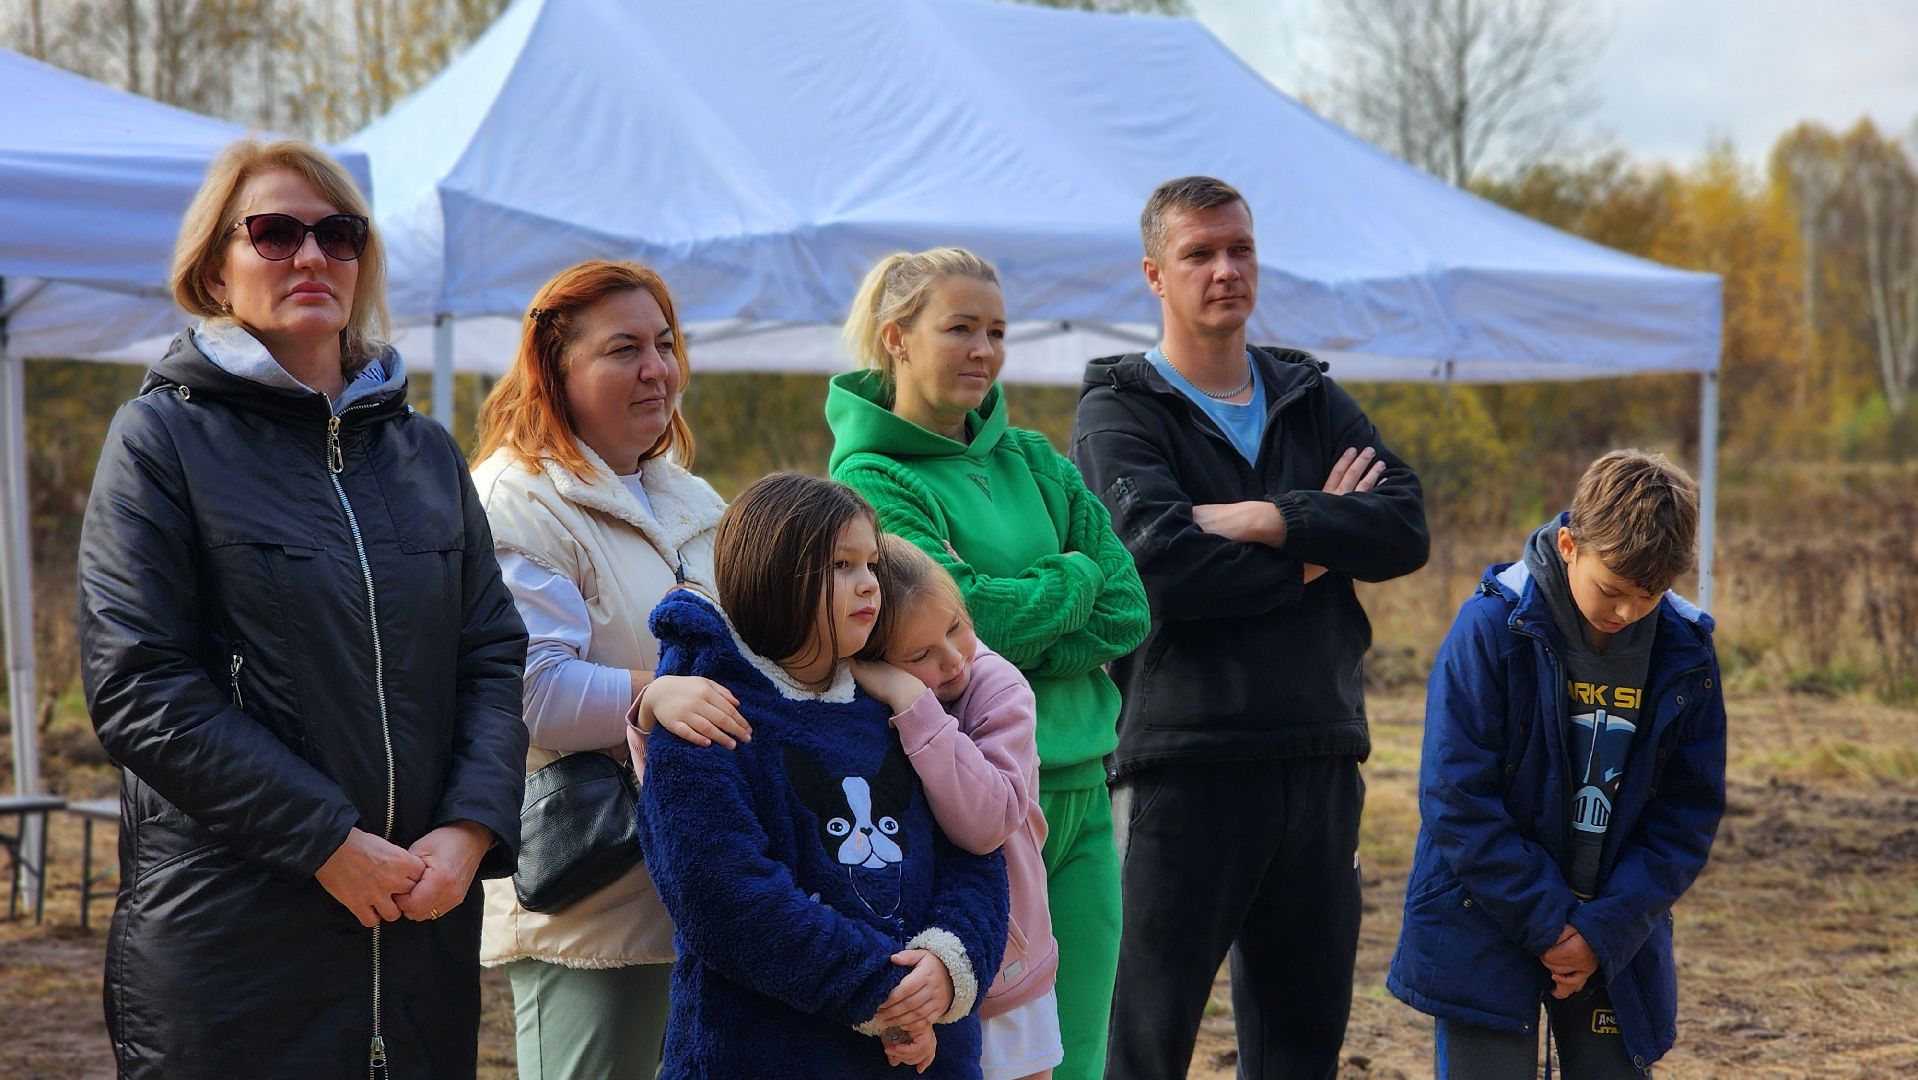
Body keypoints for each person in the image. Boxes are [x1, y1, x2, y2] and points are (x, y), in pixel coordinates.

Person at [76, 138, 529, 1079]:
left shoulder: (427, 455)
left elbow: (490, 654)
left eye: (339, 234)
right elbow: (139, 685)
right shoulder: (159, 440)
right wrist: (323, 838)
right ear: (215, 267)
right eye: (275, 234)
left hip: (417, 935)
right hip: (232, 947)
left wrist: (472, 826)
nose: (312, 257)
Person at [1070, 175, 1430, 1080]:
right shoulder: (1119, 411)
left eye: (1240, 249)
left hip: (1319, 754)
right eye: (1199, 254)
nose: (1225, 270)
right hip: (1181, 767)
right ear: (1155, 273)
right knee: (1143, 1051)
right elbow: (1164, 569)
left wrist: (1269, 519)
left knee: (1300, 1052)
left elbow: (1405, 526)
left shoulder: (1307, 394)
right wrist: (1318, 547)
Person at [827, 247, 1149, 1080]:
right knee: (988, 1057)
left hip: (1084, 784)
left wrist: (1014, 612)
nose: (984, 350)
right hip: (972, 801)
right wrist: (1073, 575)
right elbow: (966, 622)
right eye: (960, 328)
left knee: (1078, 1054)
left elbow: (1129, 607)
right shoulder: (870, 477)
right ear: (896, 338)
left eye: (997, 332)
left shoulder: (1037, 458)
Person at [469, 259, 748, 1078]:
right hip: (591, 899)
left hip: (701, 891)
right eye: (623, 349)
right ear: (554, 367)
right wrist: (656, 695)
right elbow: (528, 692)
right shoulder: (517, 500)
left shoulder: (694, 501)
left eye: (664, 344)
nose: (657, 369)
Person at [636, 473, 1010, 1078]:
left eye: (871, 565)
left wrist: (947, 966)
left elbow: (974, 854)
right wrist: (878, 988)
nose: (869, 584)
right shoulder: (705, 709)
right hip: (761, 1054)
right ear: (773, 572)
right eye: (841, 565)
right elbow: (722, 893)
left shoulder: (901, 704)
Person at [1388, 450, 1725, 1079]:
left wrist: (1601, 933)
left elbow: (1688, 812)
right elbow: (1455, 796)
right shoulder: (1490, 628)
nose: (1626, 613)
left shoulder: (1687, 652)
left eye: (1649, 596)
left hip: (1616, 934)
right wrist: (1548, 924)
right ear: (1569, 544)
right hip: (1483, 920)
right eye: (1613, 590)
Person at [852, 534, 1062, 1080]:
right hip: (914, 975)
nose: (952, 660)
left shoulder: (996, 688)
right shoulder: (856, 697)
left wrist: (914, 702)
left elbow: (987, 822)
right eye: (919, 655)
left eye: (956, 627)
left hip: (1004, 968)